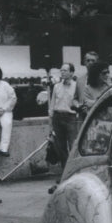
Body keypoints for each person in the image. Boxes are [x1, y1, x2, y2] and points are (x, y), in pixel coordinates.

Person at [47, 63, 84, 193]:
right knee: (60, 148)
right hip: (58, 117)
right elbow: (52, 105)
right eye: (61, 70)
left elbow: (80, 102)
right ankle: (64, 174)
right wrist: (50, 123)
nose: (62, 73)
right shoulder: (56, 86)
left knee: (73, 146)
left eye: (65, 70)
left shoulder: (77, 86)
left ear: (72, 73)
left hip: (71, 118)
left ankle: (74, 174)